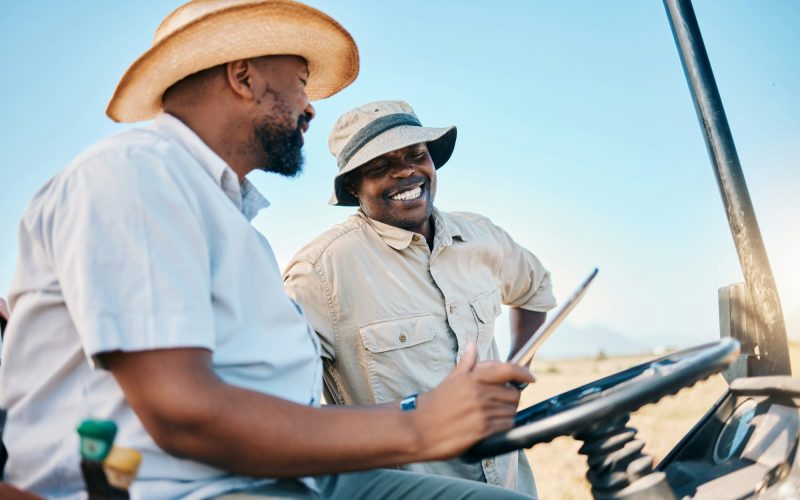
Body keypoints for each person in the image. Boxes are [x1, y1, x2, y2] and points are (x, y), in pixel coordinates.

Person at [0, 2, 535, 499]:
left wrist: (432, 406)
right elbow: (181, 413)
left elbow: (277, 405)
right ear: (243, 76)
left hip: (284, 474)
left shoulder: (236, 228)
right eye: (301, 84)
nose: (309, 109)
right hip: (181, 486)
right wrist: (419, 427)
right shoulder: (136, 176)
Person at [283, 100, 557, 495]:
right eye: (380, 165)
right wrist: (414, 421)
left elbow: (536, 291)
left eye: (416, 154)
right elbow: (287, 413)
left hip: (512, 487)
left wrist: (513, 373)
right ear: (353, 187)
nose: (406, 171)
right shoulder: (321, 272)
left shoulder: (482, 236)